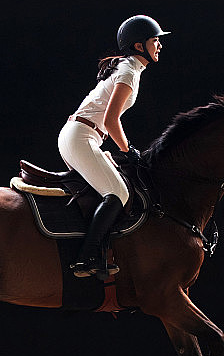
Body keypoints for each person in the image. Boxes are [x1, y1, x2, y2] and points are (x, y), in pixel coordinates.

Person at [58, 14, 170, 278]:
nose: (160, 45)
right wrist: (127, 149)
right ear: (139, 46)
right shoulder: (129, 71)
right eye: (155, 40)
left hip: (83, 136)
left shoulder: (129, 68)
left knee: (112, 188)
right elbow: (110, 119)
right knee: (119, 193)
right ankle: (86, 258)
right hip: (81, 136)